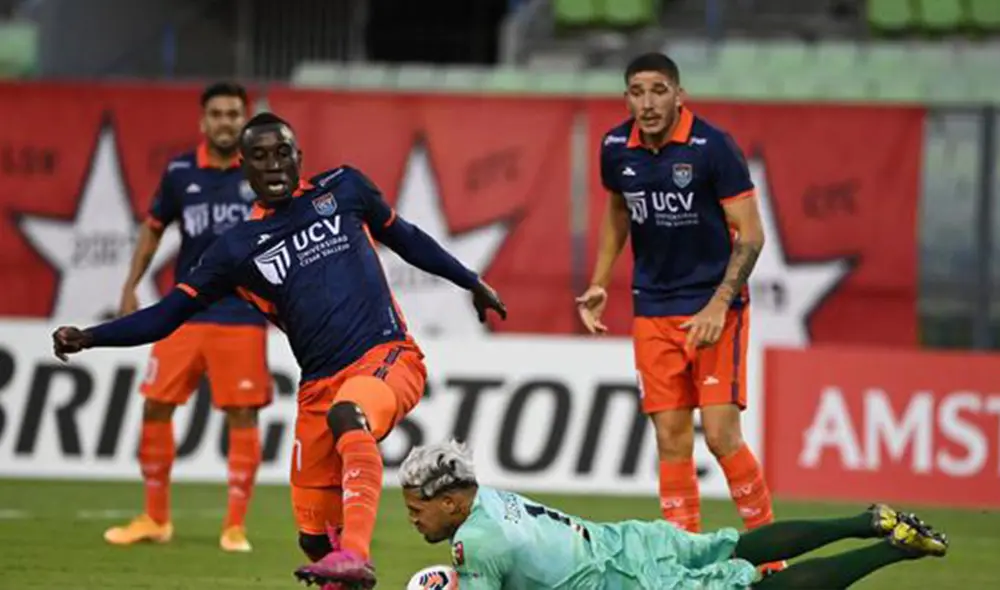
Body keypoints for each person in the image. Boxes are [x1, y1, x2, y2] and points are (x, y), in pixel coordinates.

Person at [52, 112, 507, 589]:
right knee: (313, 538)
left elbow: (407, 238)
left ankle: (357, 553)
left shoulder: (344, 189)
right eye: (261, 157)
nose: (274, 165)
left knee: (349, 417)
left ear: (298, 157)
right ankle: (344, 562)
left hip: (387, 357)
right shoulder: (235, 250)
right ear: (244, 167)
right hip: (317, 389)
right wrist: (91, 336)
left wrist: (469, 280)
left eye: (282, 153)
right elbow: (166, 315)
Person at [576, 52, 777, 563]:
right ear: (626, 99)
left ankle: (774, 553)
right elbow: (619, 210)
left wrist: (718, 305)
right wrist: (600, 281)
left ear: (679, 94)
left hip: (715, 307)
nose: (648, 102)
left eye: (659, 90)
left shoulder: (713, 147)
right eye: (637, 92)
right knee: (670, 439)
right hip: (653, 309)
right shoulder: (615, 148)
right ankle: (682, 560)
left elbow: (751, 235)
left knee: (720, 434)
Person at [399, 440, 949, 590]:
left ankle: (891, 547)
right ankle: (865, 519)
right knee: (732, 547)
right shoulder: (490, 498)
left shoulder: (477, 543)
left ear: (450, 501)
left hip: (630, 580)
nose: (413, 522)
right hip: (629, 542)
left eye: (416, 510)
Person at [106, 81, 269, 553]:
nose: (225, 121)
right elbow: (154, 229)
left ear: (245, 119)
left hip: (241, 312)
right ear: (203, 121)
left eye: (233, 113)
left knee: (241, 413)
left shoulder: (261, 170)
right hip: (184, 309)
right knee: (156, 403)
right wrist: (131, 285)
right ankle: (155, 518)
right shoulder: (180, 172)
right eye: (217, 114)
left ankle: (235, 525)